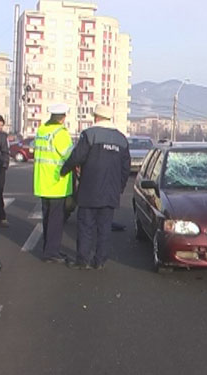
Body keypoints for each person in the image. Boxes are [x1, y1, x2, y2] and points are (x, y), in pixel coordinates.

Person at [61, 104, 130, 270]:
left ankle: (82, 260)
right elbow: (125, 168)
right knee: (104, 228)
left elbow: (77, 157)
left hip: (89, 191)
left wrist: (64, 171)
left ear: (96, 117)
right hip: (110, 193)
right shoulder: (121, 139)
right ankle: (100, 261)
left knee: (85, 227)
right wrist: (119, 187)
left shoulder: (89, 134)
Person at [33, 104, 73, 263]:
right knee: (56, 220)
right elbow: (69, 156)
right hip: (57, 183)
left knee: (47, 217)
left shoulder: (42, 130)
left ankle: (48, 248)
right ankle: (52, 252)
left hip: (42, 182)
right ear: (62, 118)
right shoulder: (60, 133)